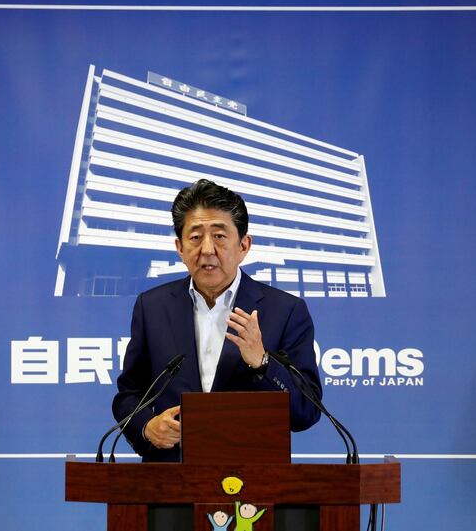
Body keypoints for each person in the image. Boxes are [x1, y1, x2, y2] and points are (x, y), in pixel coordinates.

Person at [112, 179, 322, 462]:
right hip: (170, 484)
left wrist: (262, 363)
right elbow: (129, 395)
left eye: (220, 236)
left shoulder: (284, 311)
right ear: (180, 247)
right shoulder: (152, 307)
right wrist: (147, 428)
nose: (207, 249)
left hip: (254, 487)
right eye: (195, 237)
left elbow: (306, 412)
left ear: (244, 245)